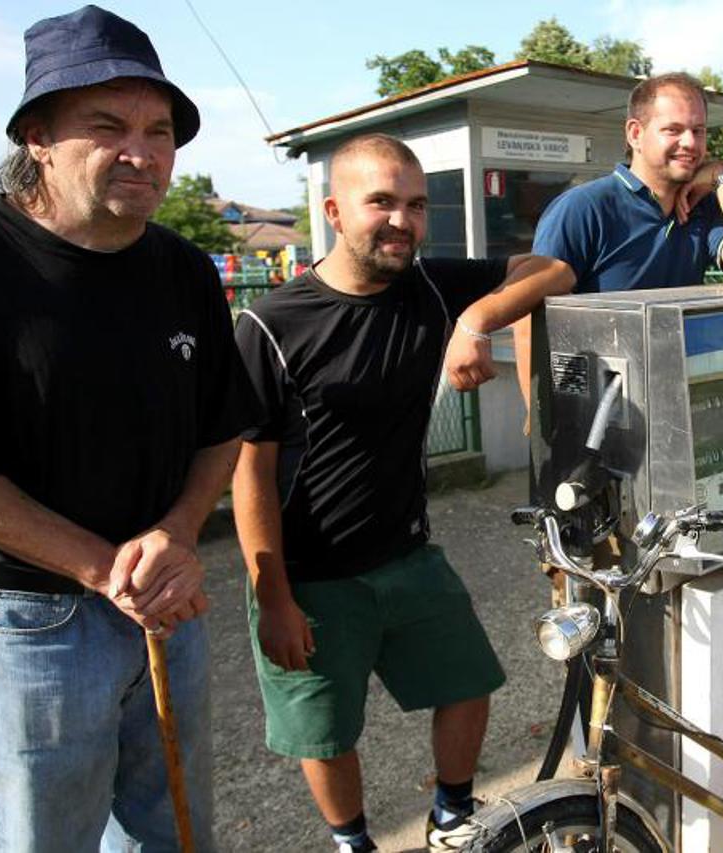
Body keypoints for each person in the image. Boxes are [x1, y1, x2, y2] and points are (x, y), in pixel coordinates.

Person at [0, 6, 259, 849]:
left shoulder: (180, 266)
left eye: (159, 129)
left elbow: (224, 427)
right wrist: (106, 570)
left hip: (168, 604)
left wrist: (172, 533)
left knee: (173, 834)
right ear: (39, 137)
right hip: (32, 625)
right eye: (107, 125)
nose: (143, 151)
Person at [231, 133, 573, 853]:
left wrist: (476, 317)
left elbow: (554, 270)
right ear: (333, 210)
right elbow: (248, 470)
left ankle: (451, 814)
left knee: (468, 682)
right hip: (311, 574)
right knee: (324, 731)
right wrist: (273, 596)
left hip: (408, 554)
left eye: (416, 205)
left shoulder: (427, 285)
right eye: (380, 201)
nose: (401, 221)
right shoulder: (270, 323)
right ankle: (352, 839)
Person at [513, 71, 723, 403]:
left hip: (679, 403)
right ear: (635, 134)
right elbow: (528, 317)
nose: (690, 143)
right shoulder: (584, 208)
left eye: (698, 131)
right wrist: (537, 420)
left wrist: (721, 176)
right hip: (599, 414)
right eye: (673, 129)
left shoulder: (703, 209)